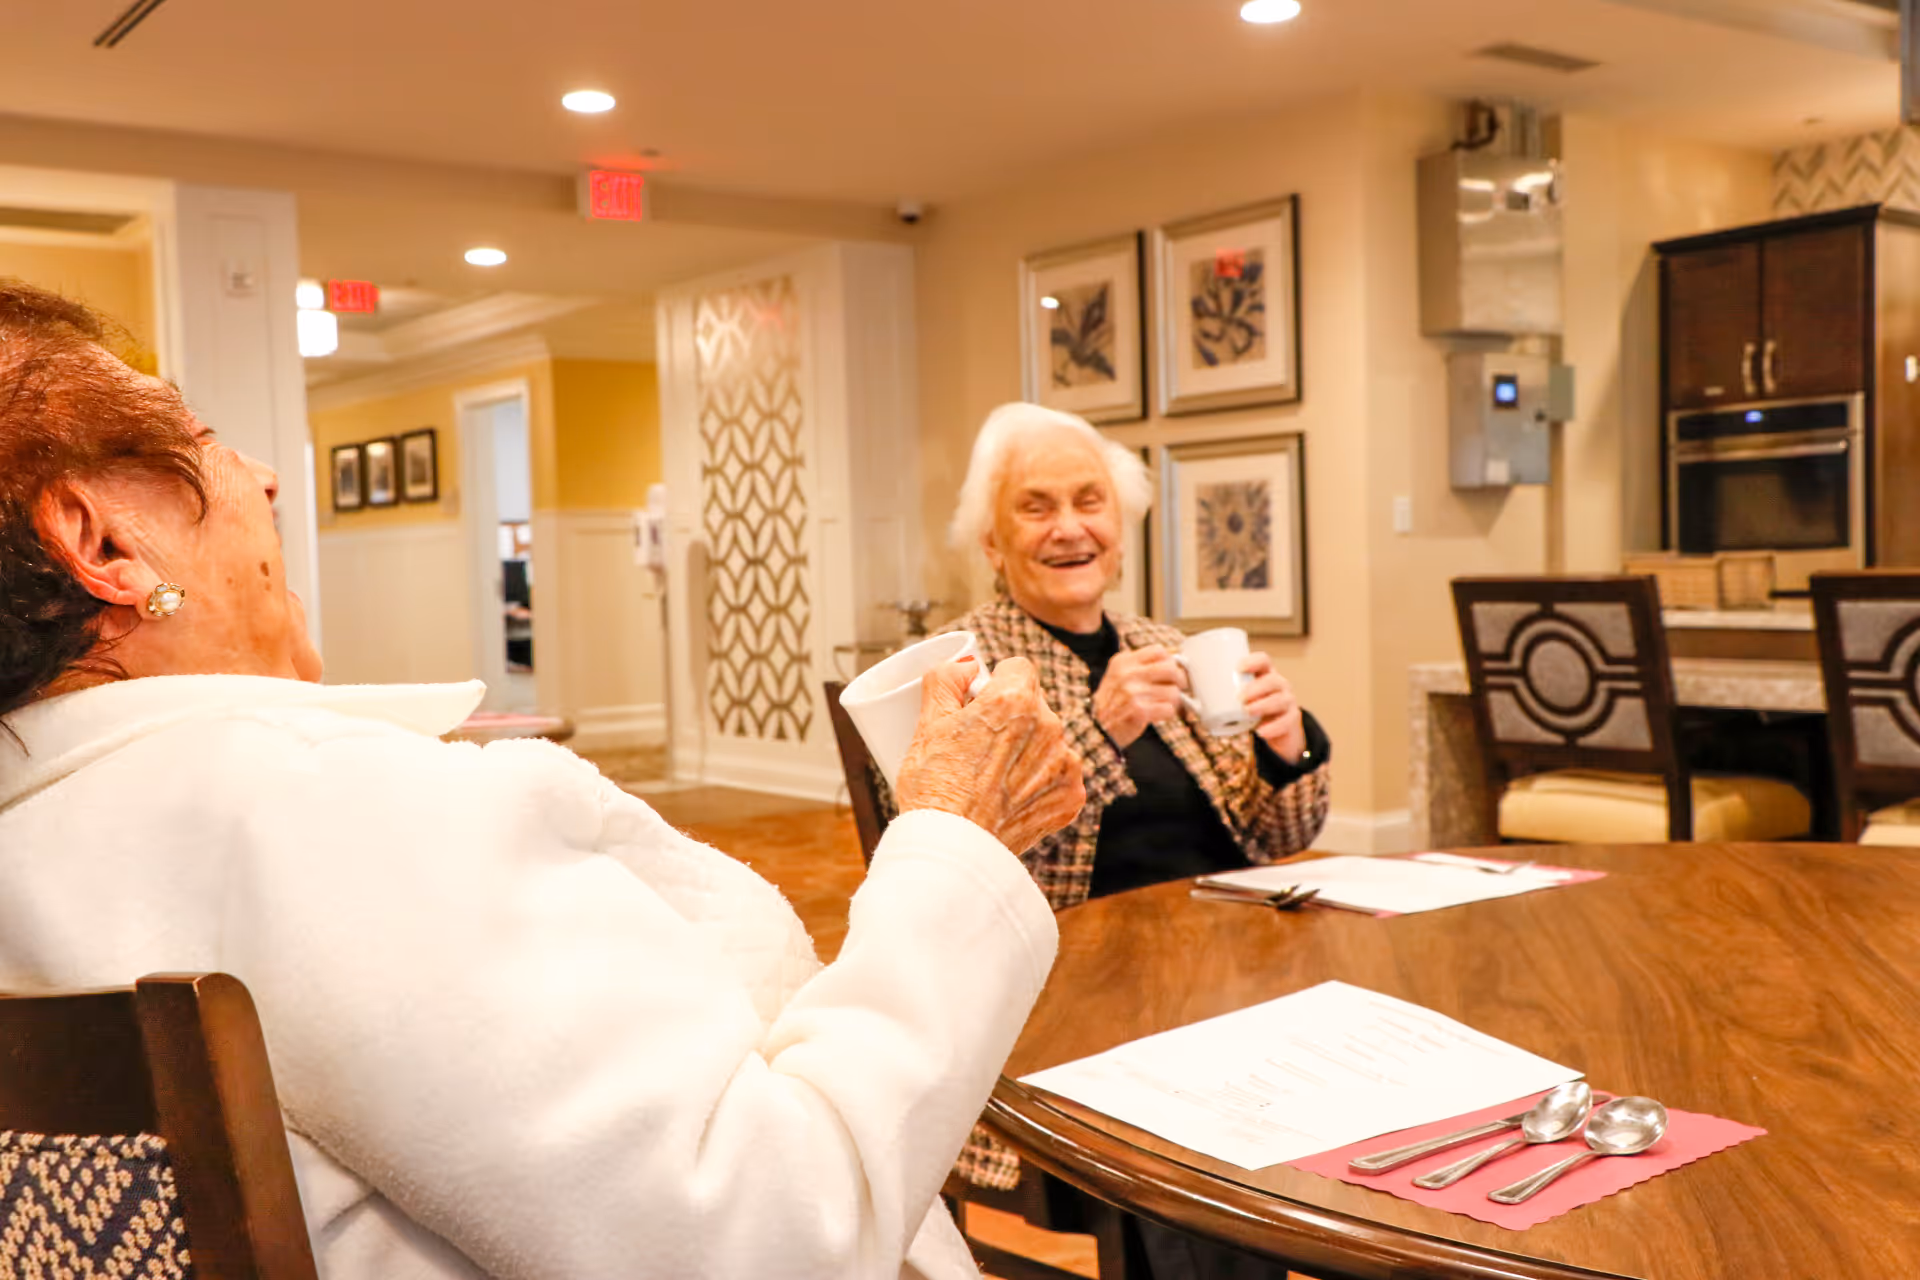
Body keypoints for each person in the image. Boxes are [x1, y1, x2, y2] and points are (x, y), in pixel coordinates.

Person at [0, 281, 1086, 1280]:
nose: (265, 476)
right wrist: (952, 832)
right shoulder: (337, 815)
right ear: (103, 542)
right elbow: (768, 1231)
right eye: (204, 439)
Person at [940, 402, 1330, 1278]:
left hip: (1221, 972)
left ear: (1119, 530)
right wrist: (1095, 731)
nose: (1070, 527)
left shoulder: (1168, 648)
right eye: (1036, 507)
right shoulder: (961, 671)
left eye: (1090, 502)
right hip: (1071, 1003)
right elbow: (961, 863)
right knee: (1201, 1120)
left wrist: (1286, 747)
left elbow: (1276, 838)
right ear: (994, 545)